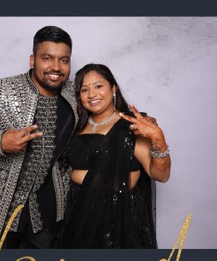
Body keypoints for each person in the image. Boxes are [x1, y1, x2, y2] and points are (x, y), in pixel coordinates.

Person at [0, 26, 78, 249]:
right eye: (47, 58)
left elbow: (105, 109)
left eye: (64, 60)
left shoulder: (76, 94)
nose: (56, 67)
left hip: (48, 213)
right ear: (33, 60)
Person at [57, 64, 171, 248]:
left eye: (98, 86)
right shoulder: (76, 127)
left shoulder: (131, 125)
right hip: (80, 217)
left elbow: (161, 175)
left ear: (113, 88)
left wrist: (158, 138)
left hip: (120, 220)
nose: (92, 94)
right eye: (84, 89)